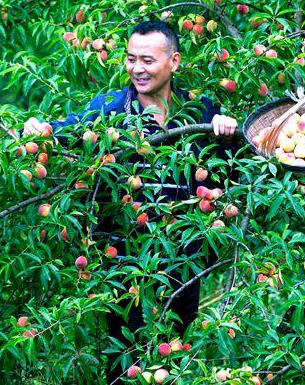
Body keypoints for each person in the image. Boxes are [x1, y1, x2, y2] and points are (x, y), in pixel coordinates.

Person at [23, 20, 239, 382]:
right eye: (130, 59)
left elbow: (228, 172)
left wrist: (227, 132)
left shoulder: (200, 110)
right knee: (125, 353)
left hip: (182, 253)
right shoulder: (110, 109)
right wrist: (34, 130)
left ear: (174, 62)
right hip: (122, 255)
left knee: (178, 346)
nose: (137, 69)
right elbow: (64, 132)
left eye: (147, 60)